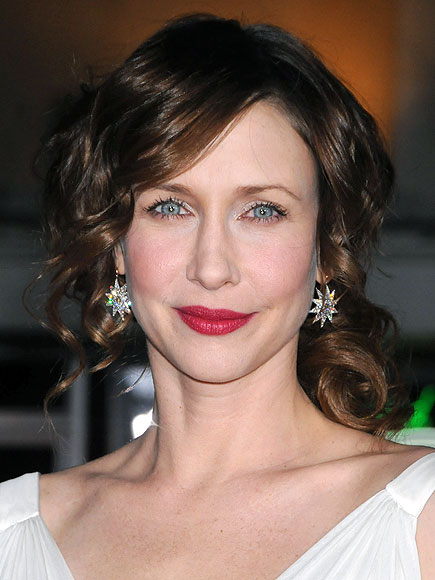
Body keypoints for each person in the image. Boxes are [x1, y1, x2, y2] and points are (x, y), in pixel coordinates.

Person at [0, 13, 434, 580]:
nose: (210, 268)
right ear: (117, 245)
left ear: (326, 248)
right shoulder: (13, 534)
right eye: (170, 207)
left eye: (262, 211)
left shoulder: (419, 521)